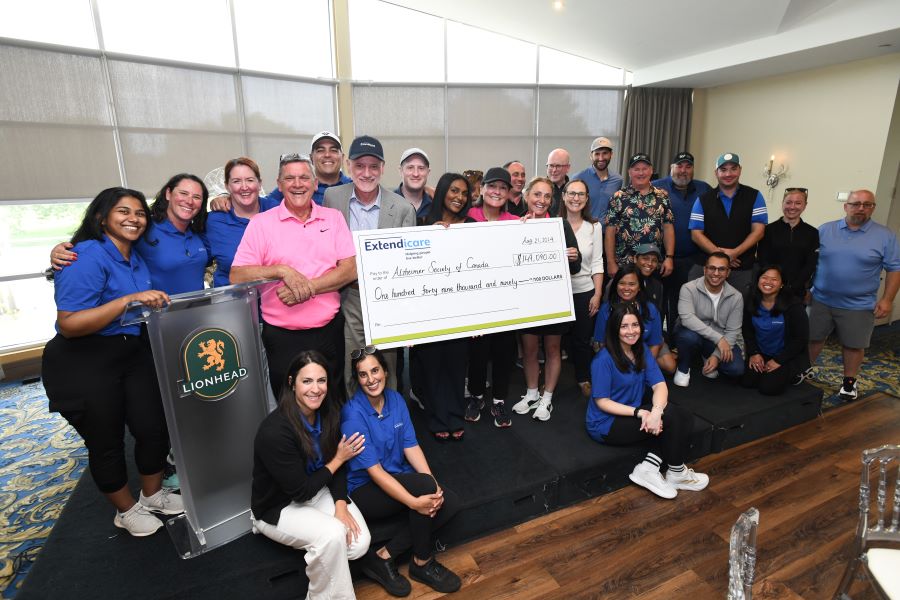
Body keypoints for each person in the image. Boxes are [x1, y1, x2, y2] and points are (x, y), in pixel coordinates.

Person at [42, 187, 183, 537]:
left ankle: (151, 495)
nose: (133, 218)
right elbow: (70, 324)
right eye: (123, 211)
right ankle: (126, 510)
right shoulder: (85, 255)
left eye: (139, 213)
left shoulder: (135, 256)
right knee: (105, 440)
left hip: (129, 351)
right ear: (101, 218)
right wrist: (128, 300)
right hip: (83, 358)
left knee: (152, 427)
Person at [231, 154, 357, 396]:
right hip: (282, 336)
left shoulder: (333, 218)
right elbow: (237, 275)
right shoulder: (261, 223)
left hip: (328, 332)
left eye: (303, 177)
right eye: (289, 178)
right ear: (279, 185)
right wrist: (282, 270)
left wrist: (306, 288)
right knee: (289, 404)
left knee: (331, 400)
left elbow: (349, 270)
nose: (297, 184)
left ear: (315, 183)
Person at [342, 347, 462, 596]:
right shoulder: (352, 414)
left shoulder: (395, 399)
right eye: (363, 375)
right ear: (358, 380)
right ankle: (422, 562)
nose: (371, 379)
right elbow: (375, 472)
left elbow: (411, 445)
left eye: (375, 371)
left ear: (385, 371)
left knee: (449, 501)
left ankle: (384, 555)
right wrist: (413, 501)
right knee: (424, 493)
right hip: (366, 489)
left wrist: (433, 483)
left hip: (398, 477)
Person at [251, 351, 370, 600]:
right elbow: (304, 488)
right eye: (307, 381)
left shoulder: (329, 413)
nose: (316, 389)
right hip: (280, 504)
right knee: (332, 535)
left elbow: (336, 467)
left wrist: (340, 505)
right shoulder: (274, 431)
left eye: (321, 381)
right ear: (292, 383)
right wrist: (339, 458)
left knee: (359, 544)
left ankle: (324, 548)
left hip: (318, 489)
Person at [324, 136, 417, 395]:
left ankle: (390, 425)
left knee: (384, 366)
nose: (366, 173)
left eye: (373, 166)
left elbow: (410, 264)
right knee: (354, 365)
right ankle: (358, 426)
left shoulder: (401, 208)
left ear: (383, 168)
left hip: (386, 301)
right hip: (349, 296)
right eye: (360, 166)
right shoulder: (333, 197)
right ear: (349, 165)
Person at [586, 303, 708, 499]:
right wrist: (641, 413)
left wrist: (656, 412)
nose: (631, 331)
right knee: (675, 417)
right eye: (624, 326)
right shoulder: (603, 360)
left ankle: (649, 467)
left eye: (635, 325)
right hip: (605, 424)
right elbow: (602, 402)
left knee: (679, 414)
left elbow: (659, 385)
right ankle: (676, 473)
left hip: (633, 409)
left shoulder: (641, 349)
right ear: (614, 329)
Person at [808, 189, 900, 400]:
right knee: (812, 338)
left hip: (858, 304)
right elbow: (811, 262)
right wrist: (808, 289)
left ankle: (849, 383)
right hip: (820, 299)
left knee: (853, 345)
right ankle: (805, 370)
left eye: (867, 205)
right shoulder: (825, 230)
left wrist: (887, 300)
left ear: (873, 208)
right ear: (845, 206)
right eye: (856, 203)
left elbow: (895, 269)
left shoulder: (885, 235)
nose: (861, 208)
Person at [50, 173, 211, 295]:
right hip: (155, 320)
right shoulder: (143, 227)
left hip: (194, 316)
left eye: (196, 197)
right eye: (183, 193)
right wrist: (64, 250)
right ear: (168, 194)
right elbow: (102, 242)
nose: (189, 201)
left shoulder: (200, 231)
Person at [512, 177, 582, 421]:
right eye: (537, 195)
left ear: (552, 201)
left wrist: (573, 256)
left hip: (554, 299)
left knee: (553, 349)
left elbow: (576, 266)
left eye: (547, 196)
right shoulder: (515, 225)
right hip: (528, 300)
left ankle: (547, 397)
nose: (541, 201)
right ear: (526, 196)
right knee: (529, 350)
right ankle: (532, 393)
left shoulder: (560, 226)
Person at [413, 173, 472, 439]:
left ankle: (456, 416)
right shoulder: (422, 222)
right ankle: (438, 418)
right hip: (429, 308)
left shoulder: (472, 226)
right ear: (442, 192)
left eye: (464, 193)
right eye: (454, 191)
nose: (459, 197)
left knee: (457, 365)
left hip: (460, 307)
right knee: (432, 366)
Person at [461, 168, 517, 428]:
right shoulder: (467, 217)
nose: (497, 192)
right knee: (477, 351)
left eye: (502, 188)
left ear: (509, 193)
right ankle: (476, 396)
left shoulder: (516, 222)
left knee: (505, 350)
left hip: (505, 299)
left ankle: (499, 400)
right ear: (481, 189)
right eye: (492, 186)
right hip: (474, 300)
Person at [652, 152, 712, 340]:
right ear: (671, 168)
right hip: (660, 259)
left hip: (691, 259)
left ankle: (675, 342)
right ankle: (656, 341)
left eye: (688, 166)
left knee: (682, 304)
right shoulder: (656, 187)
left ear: (693, 169)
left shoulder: (705, 189)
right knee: (657, 303)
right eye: (679, 166)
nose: (683, 171)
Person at [689, 153, 768, 295]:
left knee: (737, 313)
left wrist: (735, 253)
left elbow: (759, 231)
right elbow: (696, 234)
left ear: (740, 170)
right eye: (723, 169)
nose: (728, 174)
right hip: (707, 267)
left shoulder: (755, 196)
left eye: (733, 168)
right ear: (716, 173)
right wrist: (722, 257)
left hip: (742, 269)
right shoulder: (702, 200)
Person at [559, 179, 604, 397]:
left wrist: (597, 294)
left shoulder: (594, 227)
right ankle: (549, 383)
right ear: (564, 196)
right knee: (553, 343)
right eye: (571, 193)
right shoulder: (552, 224)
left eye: (581, 194)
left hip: (585, 290)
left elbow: (597, 262)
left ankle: (583, 378)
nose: (575, 198)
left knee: (582, 340)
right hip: (556, 293)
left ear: (587, 199)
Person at [206, 157, 280, 288]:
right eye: (236, 181)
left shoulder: (278, 212)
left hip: (273, 297)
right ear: (227, 186)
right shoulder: (214, 221)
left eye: (250, 180)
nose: (244, 187)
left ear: (259, 183)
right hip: (231, 301)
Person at [674, 252, 745, 387]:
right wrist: (719, 339)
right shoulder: (689, 288)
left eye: (722, 269)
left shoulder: (736, 296)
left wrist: (716, 357)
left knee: (736, 369)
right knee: (688, 337)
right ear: (705, 269)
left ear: (728, 272)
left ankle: (708, 356)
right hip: (693, 332)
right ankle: (683, 368)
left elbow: (733, 331)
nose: (716, 273)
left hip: (718, 340)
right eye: (712, 268)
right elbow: (687, 319)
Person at [741, 266, 810, 395]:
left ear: (782, 284)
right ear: (758, 280)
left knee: (768, 389)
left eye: (774, 279)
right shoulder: (751, 300)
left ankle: (797, 374)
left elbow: (801, 339)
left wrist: (778, 360)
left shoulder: (793, 305)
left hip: (785, 356)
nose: (768, 282)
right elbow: (747, 331)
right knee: (748, 382)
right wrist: (754, 353)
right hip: (762, 353)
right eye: (764, 278)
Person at [593, 265, 674, 374]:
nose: (626, 288)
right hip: (616, 352)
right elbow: (602, 344)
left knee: (670, 367)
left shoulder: (650, 309)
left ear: (639, 286)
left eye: (632, 284)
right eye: (622, 283)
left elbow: (655, 343)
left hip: (643, 349)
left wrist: (645, 367)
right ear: (615, 285)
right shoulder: (606, 309)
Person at [604, 153, 674, 277]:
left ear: (651, 170)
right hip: (625, 264)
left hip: (653, 264)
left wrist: (669, 257)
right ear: (629, 172)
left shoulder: (662, 196)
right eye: (636, 169)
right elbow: (610, 232)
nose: (641, 173)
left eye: (644, 169)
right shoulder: (618, 197)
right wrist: (610, 262)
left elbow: (668, 228)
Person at [757, 187, 819, 302]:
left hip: (797, 292)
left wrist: (793, 286)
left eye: (798, 203)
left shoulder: (812, 233)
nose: (792, 207)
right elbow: (763, 260)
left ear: (805, 205)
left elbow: (811, 264)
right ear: (782, 204)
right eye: (788, 202)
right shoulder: (768, 230)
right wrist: (776, 284)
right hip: (770, 290)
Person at [572, 136, 624, 225]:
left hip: (607, 233)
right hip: (584, 230)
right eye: (597, 154)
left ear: (611, 154)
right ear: (591, 155)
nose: (601, 158)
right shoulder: (578, 178)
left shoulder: (618, 180)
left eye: (605, 153)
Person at [395, 147, 433, 222]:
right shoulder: (386, 203)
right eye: (410, 167)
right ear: (401, 171)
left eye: (421, 168)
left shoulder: (436, 205)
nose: (416, 174)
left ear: (428, 172)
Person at [545, 148, 571, 217]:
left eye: (558, 166)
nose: (554, 170)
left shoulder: (573, 191)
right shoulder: (538, 190)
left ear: (568, 168)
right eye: (551, 165)